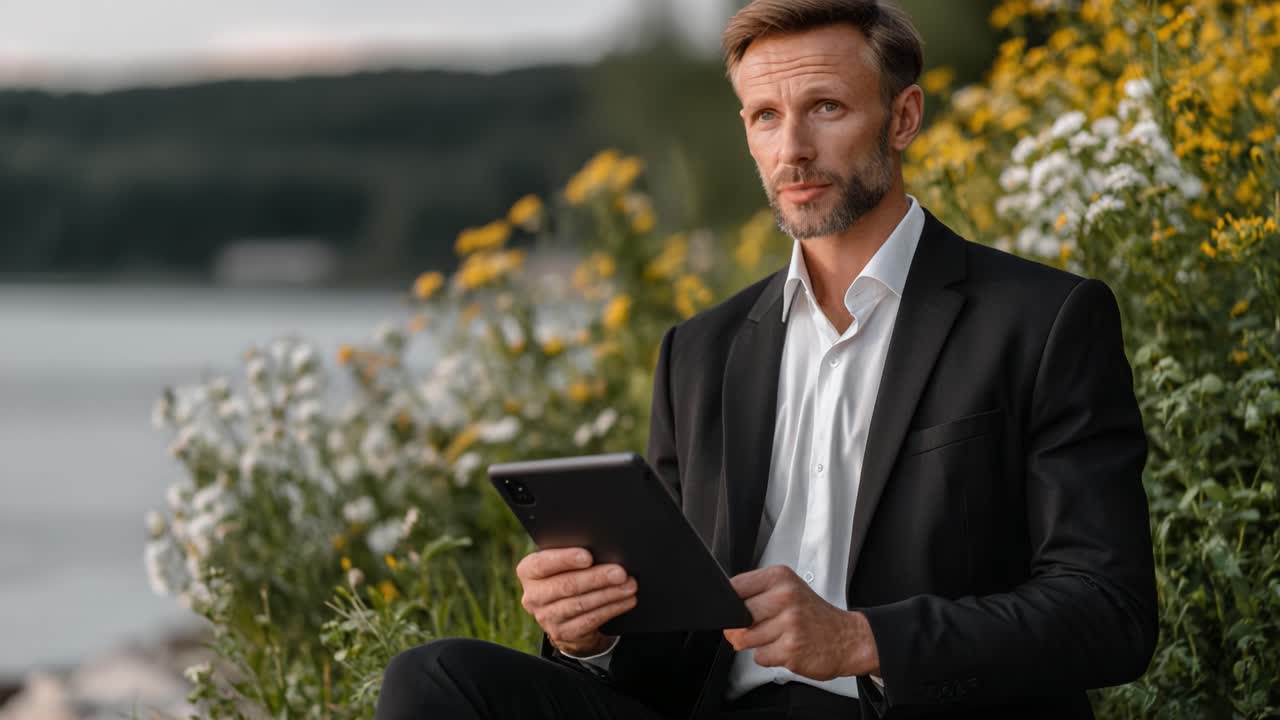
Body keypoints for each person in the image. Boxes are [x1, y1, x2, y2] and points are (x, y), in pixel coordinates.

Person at [374, 0, 1158, 717]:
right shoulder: (700, 351)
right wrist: (594, 633)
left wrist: (860, 639)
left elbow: (1108, 611)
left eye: (825, 107)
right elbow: (673, 647)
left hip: (911, 710)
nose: (792, 149)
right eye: (764, 116)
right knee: (434, 680)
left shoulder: (1043, 318)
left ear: (904, 115)